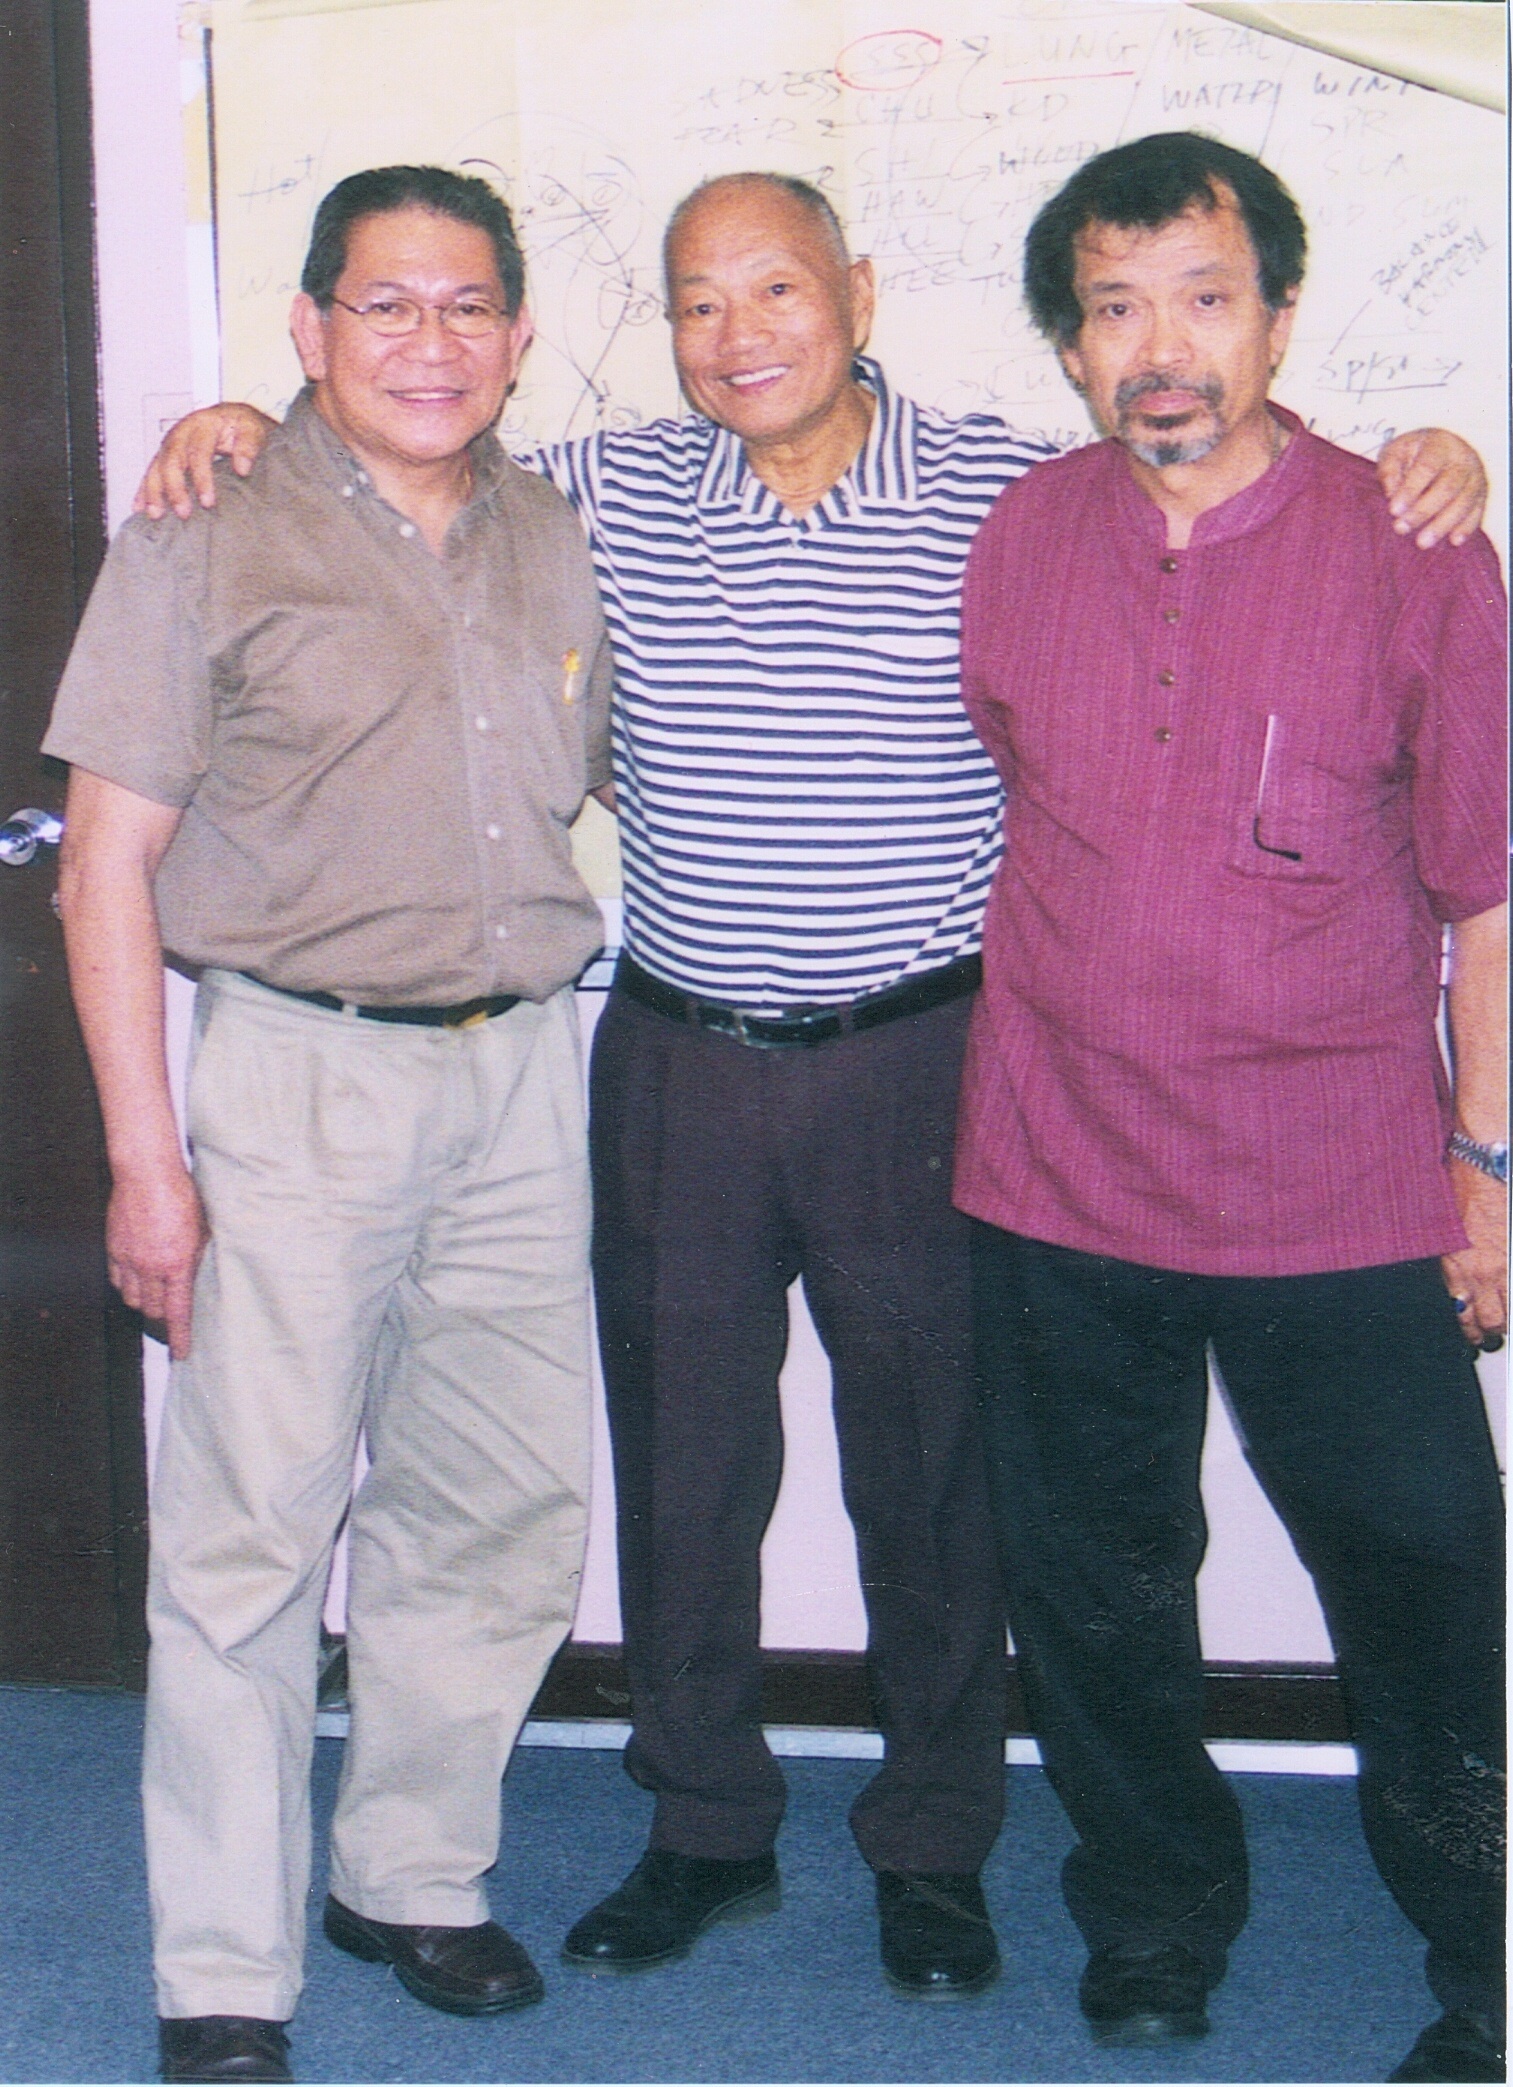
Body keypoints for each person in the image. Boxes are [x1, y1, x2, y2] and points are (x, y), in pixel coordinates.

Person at [138, 170, 1488, 2005]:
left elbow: (1199, 479)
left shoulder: (1008, 493)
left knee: (932, 1480)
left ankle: (933, 1850)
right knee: (684, 1471)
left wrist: (1423, 455)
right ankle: (704, 1823)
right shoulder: (594, 496)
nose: (737, 334)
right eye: (696, 302)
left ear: (857, 290)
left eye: (774, 289)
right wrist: (234, 419)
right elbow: (406, 483)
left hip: (925, 1059)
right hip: (679, 1055)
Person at [45, 166, 614, 2085]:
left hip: (528, 1072)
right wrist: (147, 1162)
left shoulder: (561, 534)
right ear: (307, 332)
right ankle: (223, 1968)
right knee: (247, 1543)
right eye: (385, 306)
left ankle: (411, 1872)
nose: (430, 342)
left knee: (500, 1508)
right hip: (296, 1078)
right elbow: (100, 871)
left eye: (468, 307)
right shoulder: (204, 525)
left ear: (520, 338)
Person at [955, 131, 1506, 2083]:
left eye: (1200, 295)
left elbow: (1481, 886)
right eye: (1113, 306)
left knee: (1428, 1579)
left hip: (1339, 1184)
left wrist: (1488, 1165)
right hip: (1054, 1171)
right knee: (1098, 1597)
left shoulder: (1412, 541)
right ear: (1071, 342)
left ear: (1277, 312)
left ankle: (1486, 1962)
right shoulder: (1017, 534)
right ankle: (1157, 1923)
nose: (1158, 346)